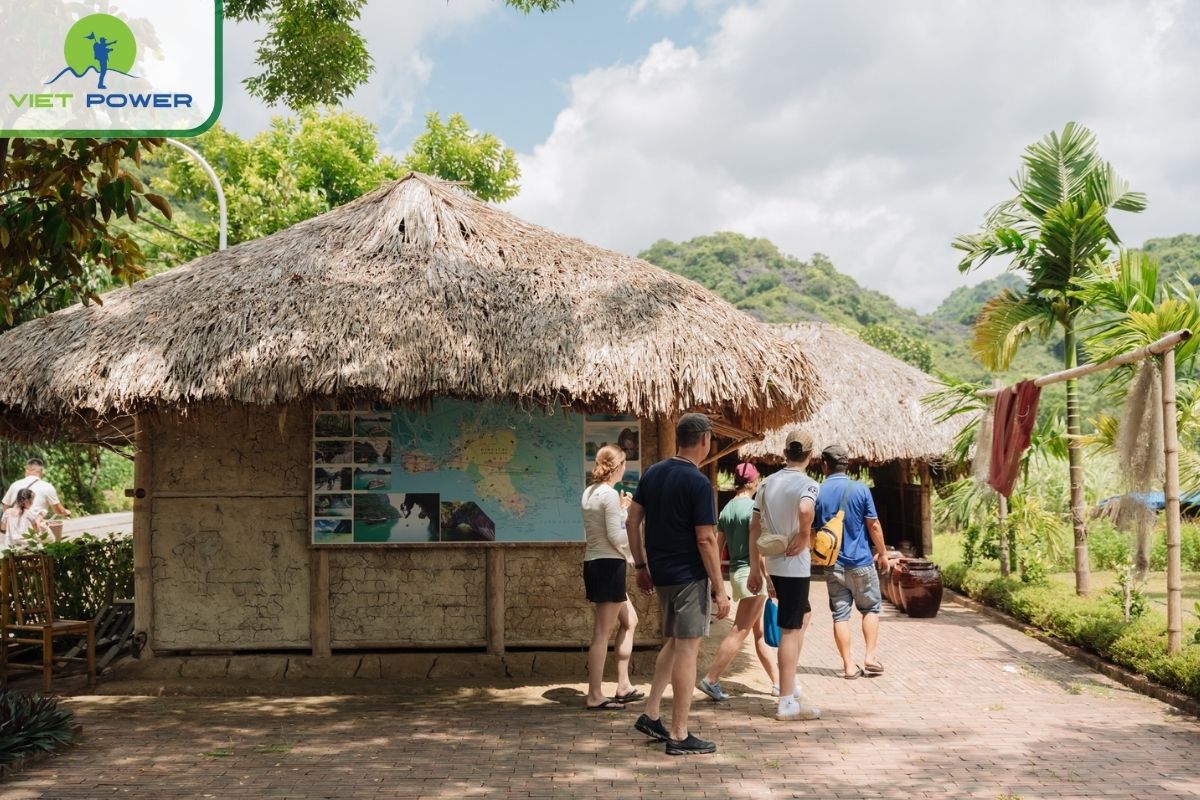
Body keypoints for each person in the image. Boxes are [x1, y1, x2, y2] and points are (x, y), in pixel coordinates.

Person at [627, 413, 730, 756]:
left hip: (662, 575)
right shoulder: (698, 483)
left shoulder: (652, 473)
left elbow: (632, 520)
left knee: (673, 644)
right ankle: (679, 733)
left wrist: (641, 564)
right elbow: (705, 540)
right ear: (704, 440)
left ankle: (652, 713)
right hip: (688, 578)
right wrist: (719, 586)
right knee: (687, 650)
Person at [748, 429, 822, 721]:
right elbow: (805, 508)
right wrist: (805, 534)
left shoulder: (766, 483)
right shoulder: (808, 484)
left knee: (803, 616)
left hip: (775, 564)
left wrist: (756, 567)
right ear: (810, 455)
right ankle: (787, 700)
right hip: (794, 565)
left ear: (784, 453)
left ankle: (790, 685)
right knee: (790, 630)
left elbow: (754, 527)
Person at [698, 461, 779, 701]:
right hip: (753, 576)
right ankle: (710, 679)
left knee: (760, 634)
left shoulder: (726, 510)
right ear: (754, 482)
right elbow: (760, 550)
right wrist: (769, 580)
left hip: (736, 573)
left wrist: (717, 581)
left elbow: (717, 547)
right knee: (739, 631)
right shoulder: (755, 509)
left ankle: (778, 683)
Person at [816, 444, 888, 679]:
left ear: (824, 465)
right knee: (870, 608)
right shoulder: (860, 489)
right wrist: (883, 553)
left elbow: (812, 530)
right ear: (847, 465)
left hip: (833, 563)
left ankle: (848, 666)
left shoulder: (818, 491)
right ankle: (869, 657)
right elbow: (873, 525)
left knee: (840, 615)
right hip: (861, 562)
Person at [581, 444, 642, 710]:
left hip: (595, 562)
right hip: (608, 565)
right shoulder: (607, 494)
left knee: (631, 620)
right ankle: (595, 695)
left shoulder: (590, 492)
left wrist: (623, 510)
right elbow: (616, 536)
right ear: (618, 466)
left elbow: (605, 527)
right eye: (625, 464)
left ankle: (623, 684)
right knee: (601, 634)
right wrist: (637, 556)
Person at [2, 458, 71, 520]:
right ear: (41, 471)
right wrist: (66, 512)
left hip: (14, 529)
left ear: (26, 470)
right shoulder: (47, 487)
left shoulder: (15, 485)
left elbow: (5, 507)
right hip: (33, 530)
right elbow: (58, 510)